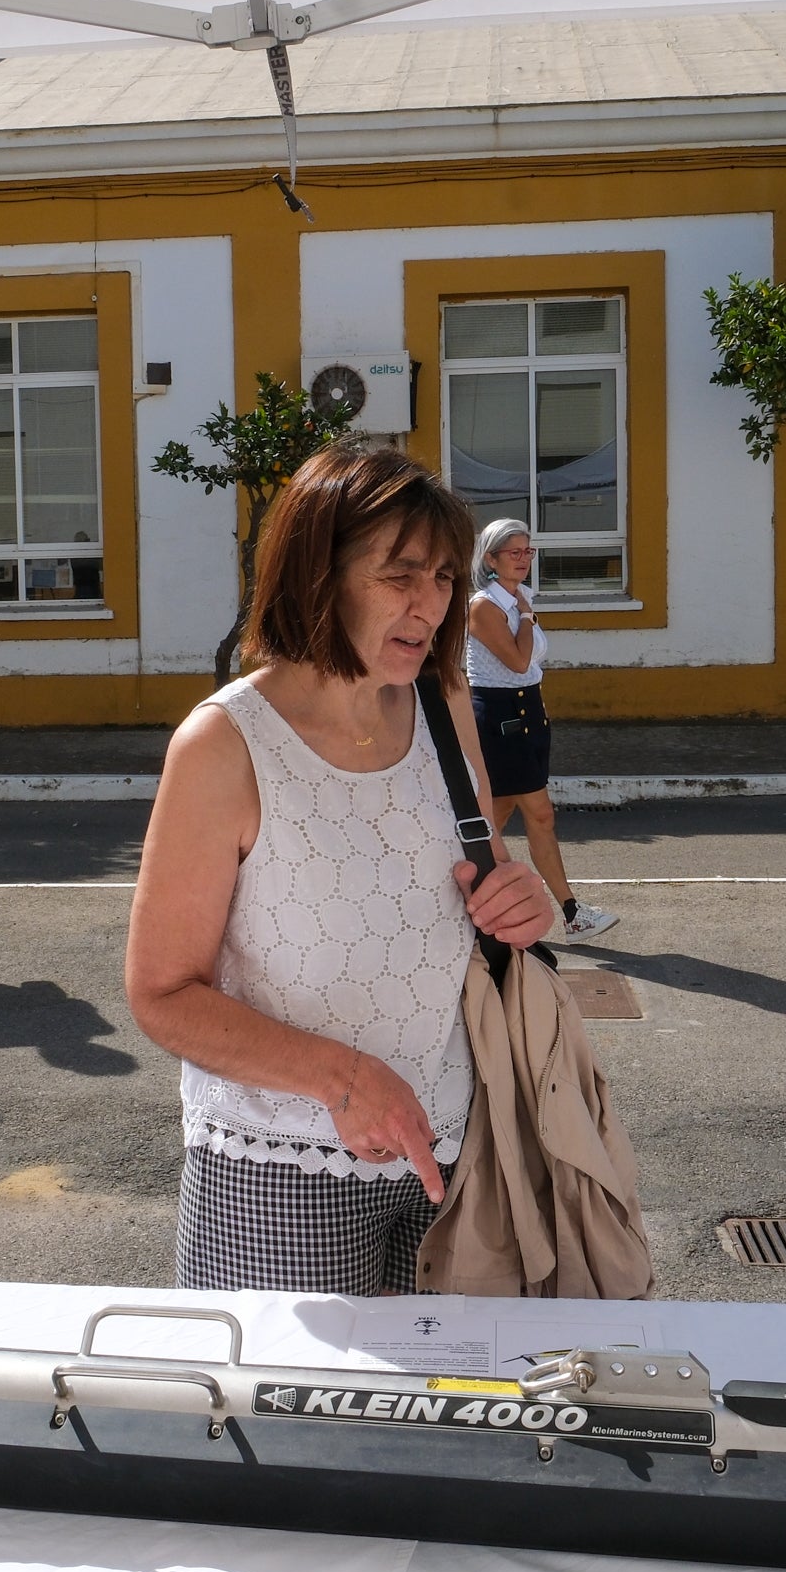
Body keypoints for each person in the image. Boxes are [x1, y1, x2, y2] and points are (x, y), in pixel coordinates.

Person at [126, 444, 559, 1295]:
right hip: (278, 1170)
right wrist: (345, 1081)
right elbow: (161, 994)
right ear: (316, 573)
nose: (429, 604)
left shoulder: (443, 710)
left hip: (453, 1144)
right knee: (289, 1416)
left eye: (440, 577)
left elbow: (481, 881)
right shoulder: (224, 743)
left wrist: (520, 900)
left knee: (446, 1410)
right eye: (399, 575)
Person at [464, 519, 615, 941]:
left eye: (528, 551)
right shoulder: (485, 606)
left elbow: (529, 668)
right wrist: (528, 617)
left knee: (494, 820)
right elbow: (516, 661)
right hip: (499, 717)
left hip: (528, 711)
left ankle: (465, 909)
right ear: (490, 559)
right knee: (540, 814)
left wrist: (525, 610)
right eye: (514, 552)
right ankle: (572, 912)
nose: (524, 559)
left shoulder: (517, 599)